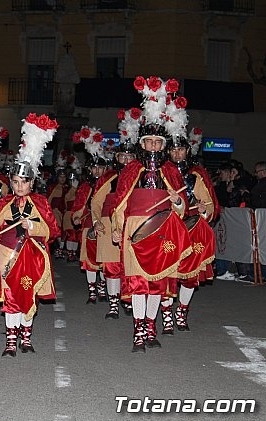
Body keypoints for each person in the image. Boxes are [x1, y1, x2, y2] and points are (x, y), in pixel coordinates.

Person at [111, 76, 191, 353]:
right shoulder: (131, 169)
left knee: (157, 283)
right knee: (138, 283)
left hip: (162, 230)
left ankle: (151, 328)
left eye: (158, 142)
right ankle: (137, 332)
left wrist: (177, 200)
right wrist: (117, 227)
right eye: (150, 142)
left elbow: (182, 209)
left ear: (163, 145)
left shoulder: (171, 170)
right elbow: (120, 202)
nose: (154, 146)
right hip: (136, 229)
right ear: (142, 144)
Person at [0, 113, 60, 357]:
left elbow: (52, 230)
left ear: (31, 183)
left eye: (23, 182)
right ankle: (10, 341)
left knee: (27, 295)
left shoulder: (40, 203)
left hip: (31, 256)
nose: (19, 186)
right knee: (10, 296)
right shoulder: (4, 203)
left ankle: (26, 337)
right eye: (15, 182)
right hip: (7, 254)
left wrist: (33, 227)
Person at [163, 128, 218, 333]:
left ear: (188, 151)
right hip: (168, 229)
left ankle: (182, 311)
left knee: (189, 277)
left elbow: (210, 204)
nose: (177, 154)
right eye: (173, 150)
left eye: (181, 149)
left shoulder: (196, 175)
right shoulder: (161, 172)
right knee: (166, 273)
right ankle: (166, 313)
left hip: (192, 228)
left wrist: (204, 211)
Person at [91, 129, 136, 319]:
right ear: (117, 157)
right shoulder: (108, 177)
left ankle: (132, 300)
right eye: (122, 156)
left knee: (133, 266)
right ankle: (113, 304)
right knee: (111, 267)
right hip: (109, 224)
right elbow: (96, 202)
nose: (125, 160)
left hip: (133, 225)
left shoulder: (141, 176)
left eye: (129, 156)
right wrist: (96, 221)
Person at [71, 127, 107, 304]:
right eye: (95, 168)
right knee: (89, 259)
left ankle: (102, 287)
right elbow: (78, 204)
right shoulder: (85, 186)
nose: (98, 171)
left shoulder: (110, 185)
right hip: (88, 225)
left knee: (104, 257)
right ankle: (92, 290)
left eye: (101, 168)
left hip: (104, 224)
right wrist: (77, 217)